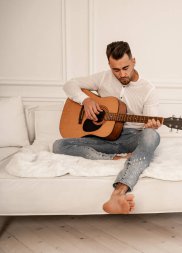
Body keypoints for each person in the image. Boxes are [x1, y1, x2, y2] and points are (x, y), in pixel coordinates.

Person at [53, 41, 161, 214]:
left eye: (126, 67)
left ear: (133, 61)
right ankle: (113, 158)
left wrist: (151, 125)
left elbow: (150, 124)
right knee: (59, 145)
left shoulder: (148, 90)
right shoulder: (103, 78)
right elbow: (69, 84)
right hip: (104, 138)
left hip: (131, 138)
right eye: (116, 70)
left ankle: (119, 193)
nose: (122, 74)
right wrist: (86, 100)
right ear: (109, 65)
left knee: (151, 136)